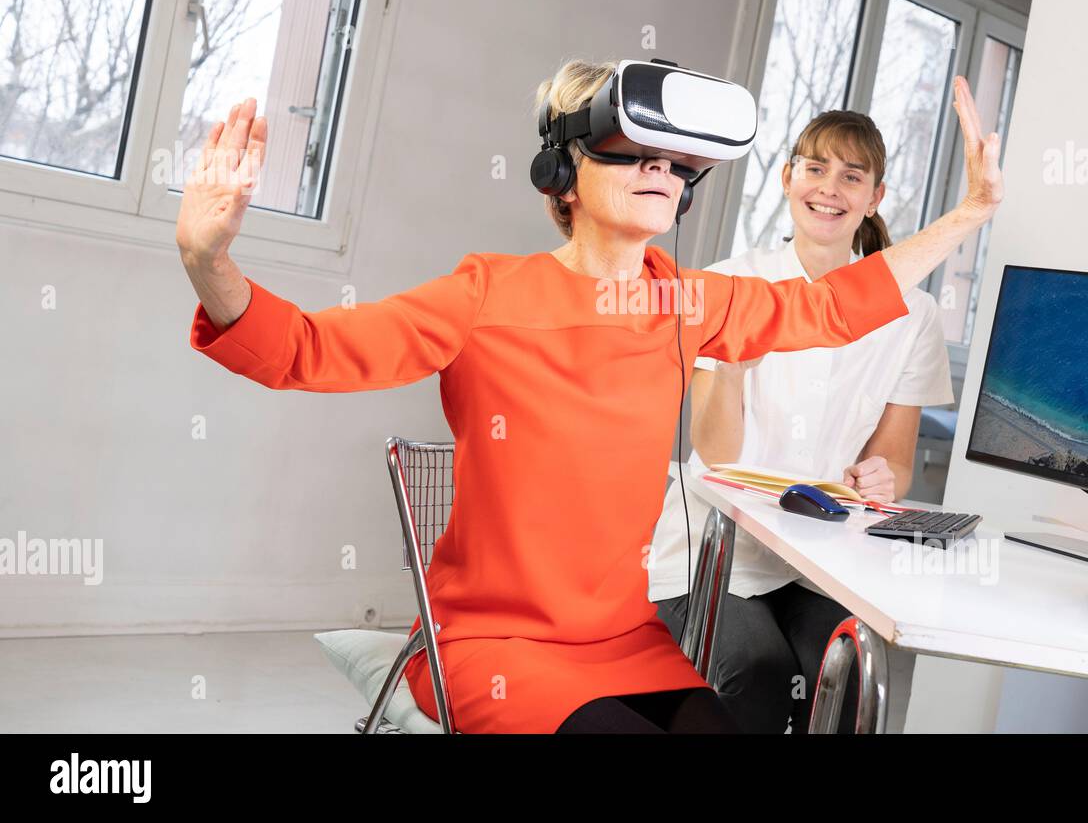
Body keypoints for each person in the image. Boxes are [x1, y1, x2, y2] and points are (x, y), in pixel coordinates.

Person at [175, 59, 1002, 733]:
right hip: (498, 646)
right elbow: (309, 350)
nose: (659, 171)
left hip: (624, 637)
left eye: (675, 161)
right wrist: (210, 262)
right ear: (563, 174)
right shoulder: (483, 294)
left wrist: (971, 214)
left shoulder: (685, 301)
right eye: (631, 150)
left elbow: (833, 308)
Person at [650, 109, 955, 733]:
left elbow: (894, 462)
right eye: (815, 169)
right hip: (715, 551)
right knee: (755, 675)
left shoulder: (913, 314)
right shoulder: (733, 282)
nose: (829, 188)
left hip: (820, 560)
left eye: (851, 176)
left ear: (876, 198)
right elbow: (714, 452)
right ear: (788, 177)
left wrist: (881, 479)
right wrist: (731, 365)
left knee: (845, 678)